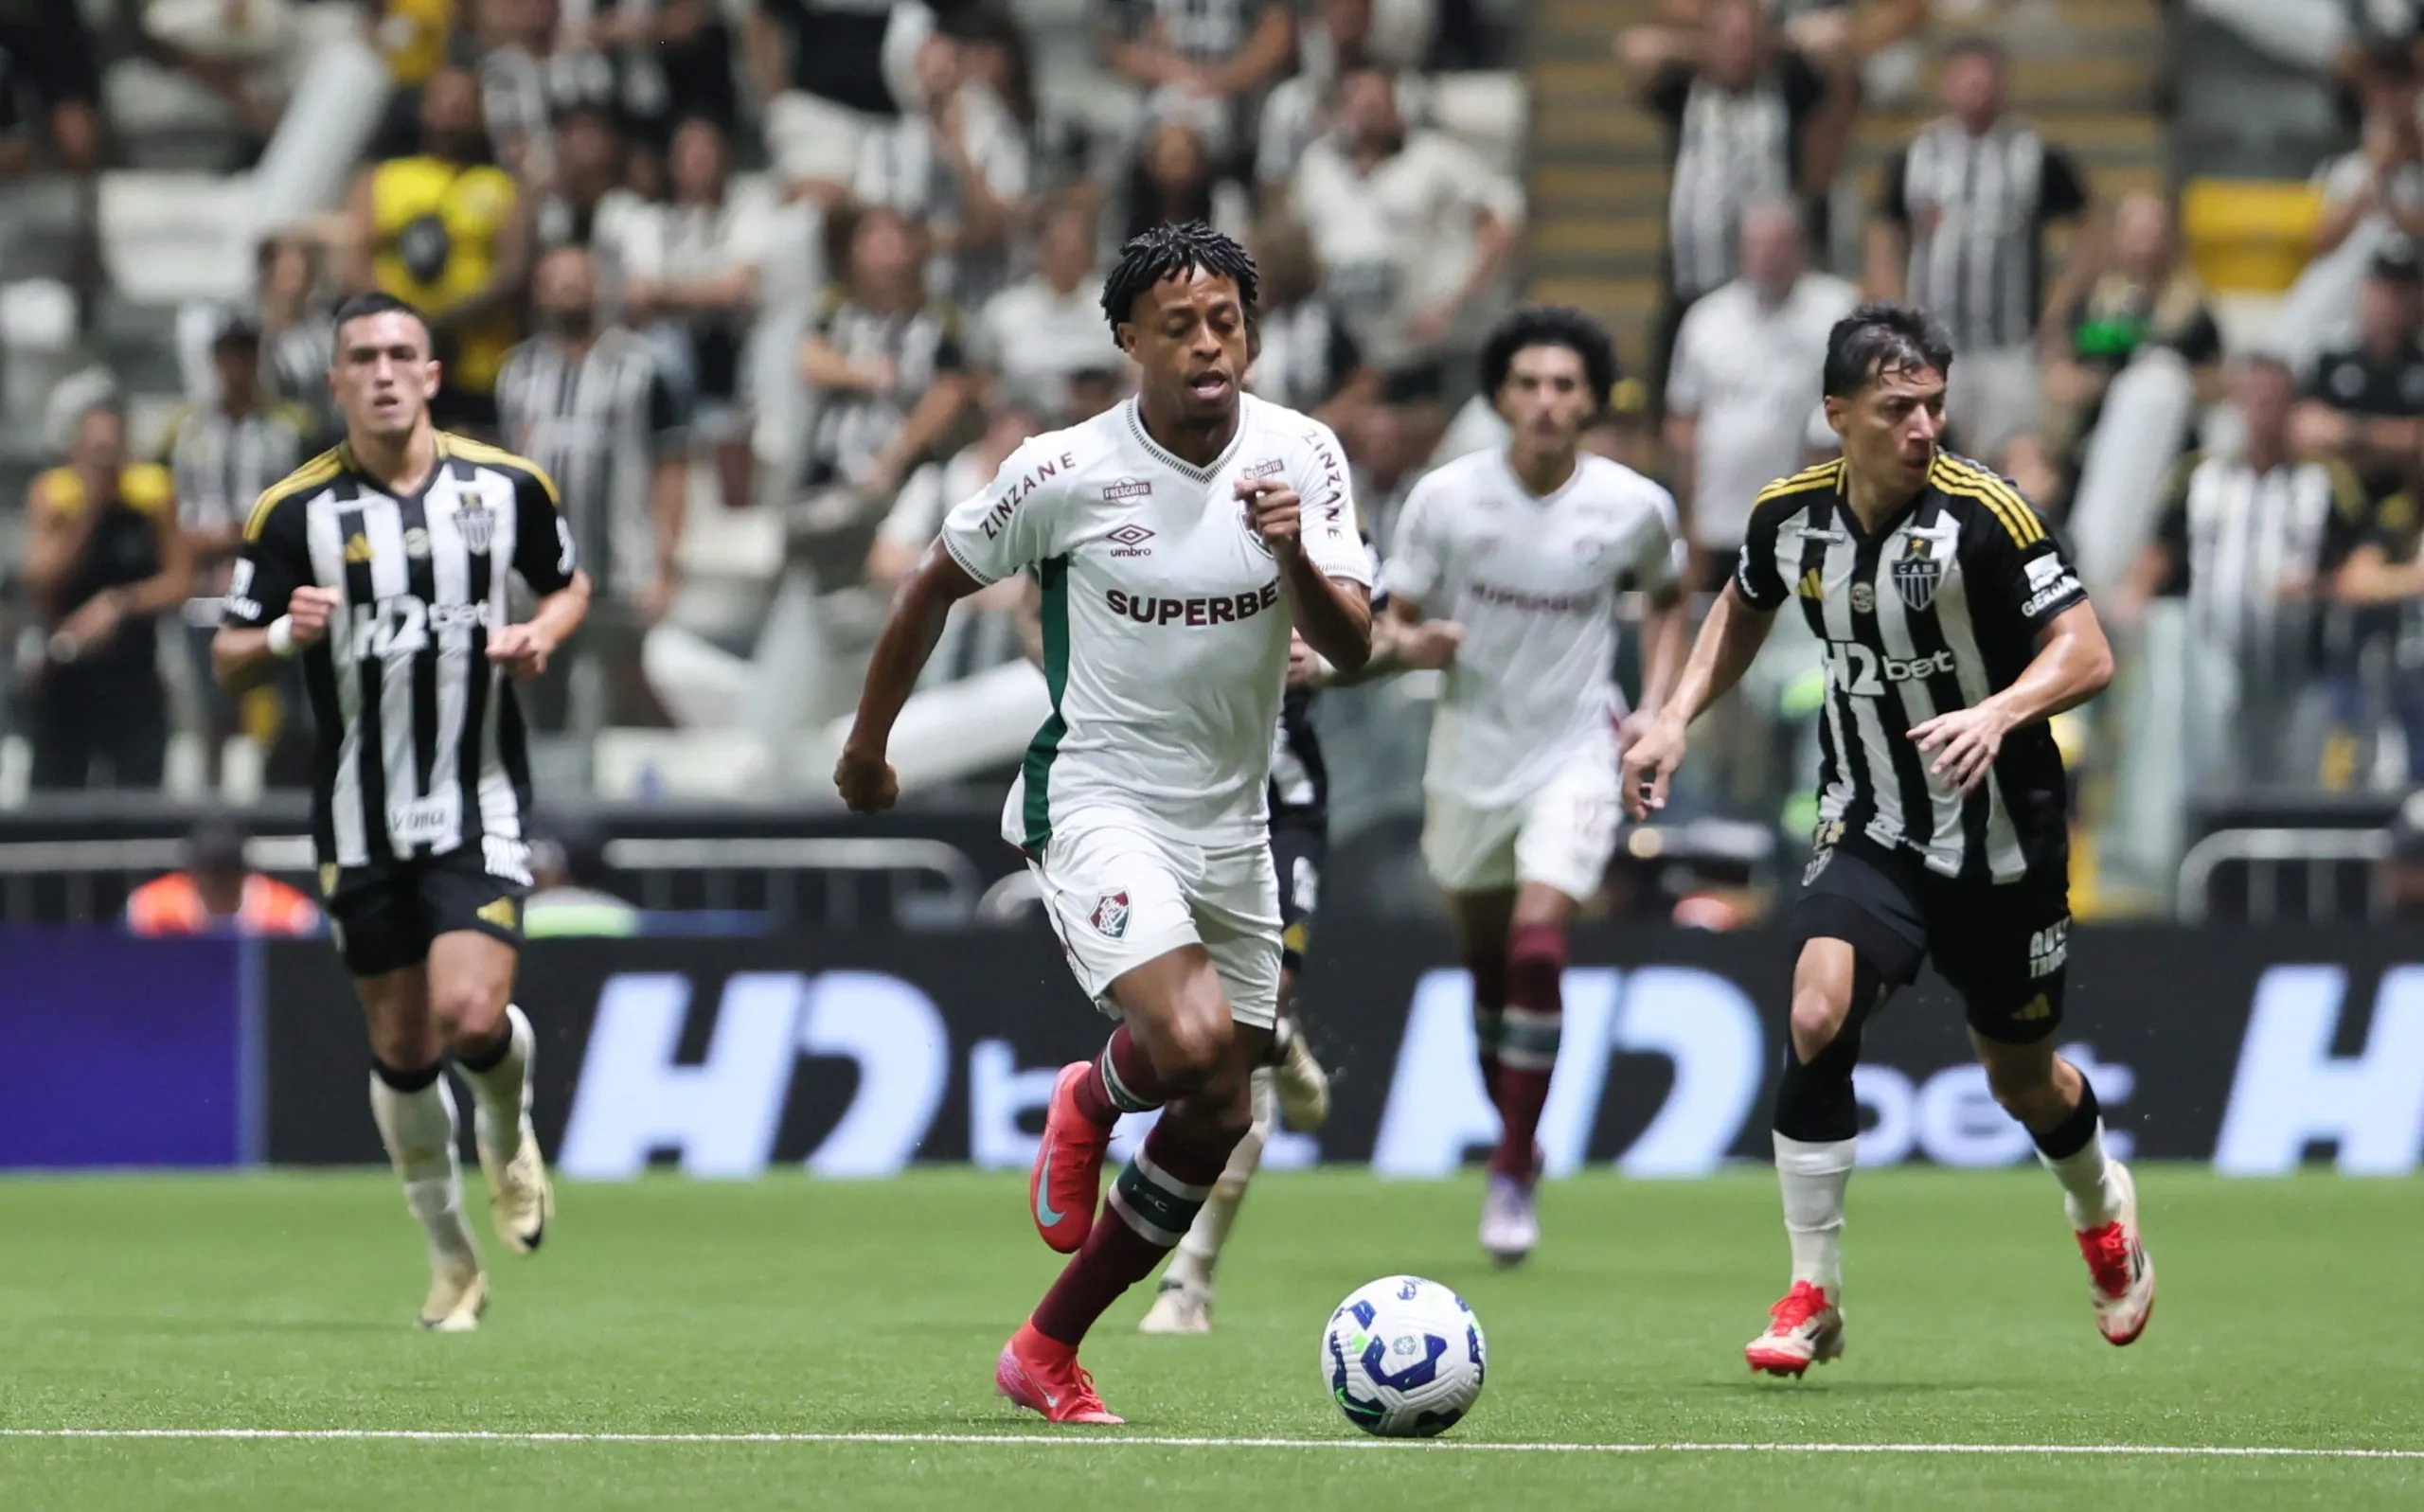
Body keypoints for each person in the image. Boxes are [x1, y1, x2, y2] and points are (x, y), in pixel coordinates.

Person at [833, 222, 1373, 1422]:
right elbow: (931, 586)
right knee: (1184, 1047)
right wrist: (869, 749)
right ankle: (1090, 1096)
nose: (1205, 343)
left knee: (1224, 1105)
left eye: (1225, 319)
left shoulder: (1305, 455)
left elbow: (1355, 643)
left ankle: (1047, 1346)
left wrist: (1292, 559)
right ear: (1129, 339)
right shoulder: (1064, 468)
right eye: (1176, 325)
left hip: (1233, 821)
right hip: (1097, 796)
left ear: (1253, 329)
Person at [1619, 301, 2152, 1377]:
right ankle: (1812, 1291)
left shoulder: (1986, 516)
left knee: (2020, 1078)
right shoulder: (1788, 516)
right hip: (1870, 819)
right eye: (1897, 407)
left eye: (1934, 405)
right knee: (1816, 1010)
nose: (1923, 427)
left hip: (2004, 841)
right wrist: (1674, 715)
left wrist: (1998, 711)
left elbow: (2087, 650)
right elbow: (1740, 602)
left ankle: (2100, 1209)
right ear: (1837, 413)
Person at [212, 290, 593, 1332]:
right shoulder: (293, 514)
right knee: (404, 1044)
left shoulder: (506, 487)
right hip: (357, 815)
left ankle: (508, 1132)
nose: (382, 371)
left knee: (472, 1017)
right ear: (335, 381)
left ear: (430, 375)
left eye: (401, 354)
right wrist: (283, 635)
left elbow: (567, 583)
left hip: (478, 802)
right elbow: (228, 649)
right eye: (361, 356)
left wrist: (543, 632)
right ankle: (450, 1258)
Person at [1340, 307, 1689, 1265]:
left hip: (1575, 749)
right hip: (1467, 758)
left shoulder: (1632, 506)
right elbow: (1383, 629)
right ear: (1500, 397)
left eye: (1565, 386)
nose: (1546, 402)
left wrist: (1657, 710)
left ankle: (1507, 1161)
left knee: (1539, 949)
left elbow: (1667, 605)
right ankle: (1518, 1140)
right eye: (1529, 384)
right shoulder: (1446, 501)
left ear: (1591, 401)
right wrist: (1415, 643)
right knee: (1491, 975)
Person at [1865, 35, 2094, 463]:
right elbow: (1883, 230)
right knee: (1920, 460)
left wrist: (2059, 308)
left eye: (1986, 81)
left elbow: (2087, 227)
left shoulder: (2033, 153)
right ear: (1946, 86)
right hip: (1932, 344)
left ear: (2003, 86)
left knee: (2017, 460)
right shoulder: (1917, 154)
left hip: (2008, 344)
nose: (1977, 90)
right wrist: (1893, 303)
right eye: (1966, 80)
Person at [496, 243, 688, 730]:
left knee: (626, 694)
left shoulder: (642, 368)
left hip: (620, 567)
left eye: (577, 280)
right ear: (538, 293)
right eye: (556, 282)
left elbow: (670, 467)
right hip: (538, 573)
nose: (568, 291)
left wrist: (666, 563)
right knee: (542, 696)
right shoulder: (516, 373)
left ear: (598, 288)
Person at [346, 65, 530, 437]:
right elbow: (353, 263)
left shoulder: (504, 188)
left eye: (465, 104)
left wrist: (444, 322)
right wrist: (404, 325)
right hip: (393, 365)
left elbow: (513, 271)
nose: (454, 112)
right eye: (445, 102)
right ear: (425, 109)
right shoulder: (382, 179)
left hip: (478, 366)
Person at [20, 402, 195, 791]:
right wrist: (89, 511)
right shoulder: (54, 499)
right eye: (95, 451)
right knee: (55, 799)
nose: (105, 461)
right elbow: (40, 579)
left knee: (139, 795)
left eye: (112, 450)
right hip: (67, 671)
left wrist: (119, 603)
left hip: (134, 673)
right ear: (75, 452)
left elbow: (181, 581)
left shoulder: (151, 501)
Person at [126, 816, 321, 937]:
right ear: (192, 872)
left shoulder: (289, 915)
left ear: (246, 871)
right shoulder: (152, 909)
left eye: (228, 869)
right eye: (210, 870)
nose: (218, 880)